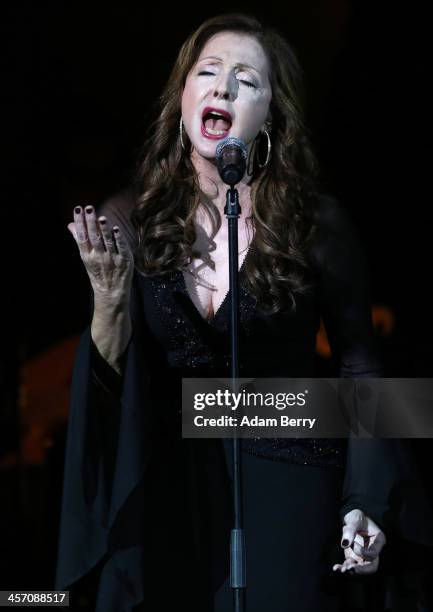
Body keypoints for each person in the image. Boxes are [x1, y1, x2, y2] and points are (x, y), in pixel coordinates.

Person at [56, 12, 433, 612]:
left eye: (245, 80)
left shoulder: (317, 224)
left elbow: (361, 370)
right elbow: (108, 391)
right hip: (172, 490)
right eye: (206, 72)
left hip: (291, 474)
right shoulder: (136, 219)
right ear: (181, 99)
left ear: (271, 115)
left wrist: (366, 498)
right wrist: (106, 305)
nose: (222, 87)